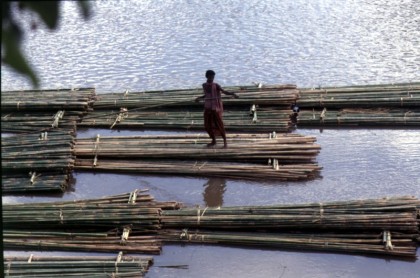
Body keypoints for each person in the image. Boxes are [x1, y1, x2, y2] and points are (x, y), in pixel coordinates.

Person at [195, 70, 238, 148]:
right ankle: (213, 140)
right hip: (208, 108)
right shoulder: (204, 85)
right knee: (208, 125)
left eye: (213, 77)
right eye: (211, 77)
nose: (212, 78)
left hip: (215, 109)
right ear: (207, 76)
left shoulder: (216, 85)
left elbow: (224, 92)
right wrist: (199, 98)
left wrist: (233, 94)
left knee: (219, 124)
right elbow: (206, 95)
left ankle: (225, 142)